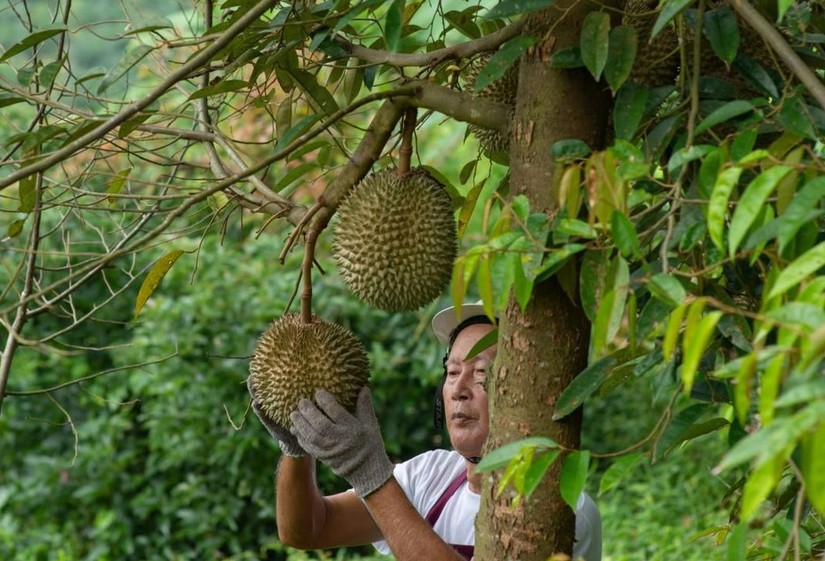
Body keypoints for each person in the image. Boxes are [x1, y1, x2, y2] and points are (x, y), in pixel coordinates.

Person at [248, 302, 602, 561]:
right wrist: (297, 449)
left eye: (483, 374)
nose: (459, 388)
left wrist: (372, 475)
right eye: (451, 372)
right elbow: (307, 529)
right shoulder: (430, 476)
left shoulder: (560, 507)